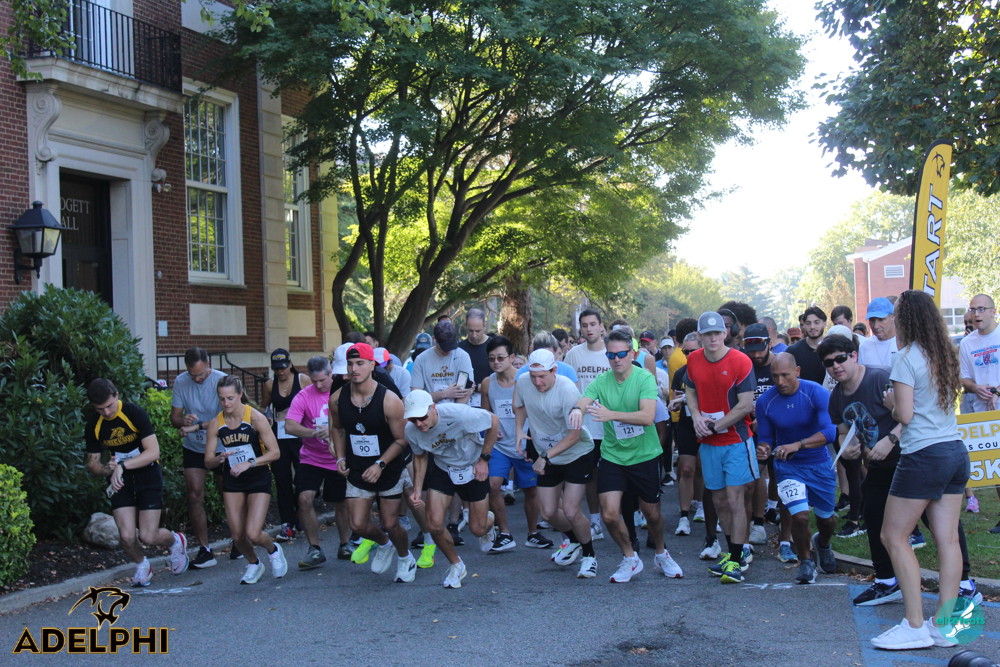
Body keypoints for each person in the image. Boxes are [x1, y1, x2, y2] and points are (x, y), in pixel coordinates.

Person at [870, 290, 970, 650]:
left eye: (896, 314)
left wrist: (890, 403)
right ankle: (944, 625)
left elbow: (906, 415)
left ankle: (914, 625)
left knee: (893, 536)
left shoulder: (906, 357)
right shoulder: (944, 353)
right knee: (948, 540)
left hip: (924, 455)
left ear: (905, 319)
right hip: (954, 450)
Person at [569, 330, 683, 583]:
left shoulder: (644, 378)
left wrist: (611, 415)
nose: (616, 359)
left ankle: (662, 553)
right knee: (609, 514)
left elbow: (647, 417)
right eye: (611, 355)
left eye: (621, 354)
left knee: (652, 513)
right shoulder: (602, 380)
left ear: (632, 354)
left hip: (644, 454)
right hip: (613, 455)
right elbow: (585, 399)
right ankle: (630, 557)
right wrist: (577, 409)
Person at [85, 379, 188, 587]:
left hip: (147, 475)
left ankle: (176, 541)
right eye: (100, 409)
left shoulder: (134, 413)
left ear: (116, 395)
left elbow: (153, 452)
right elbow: (93, 464)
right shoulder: (94, 424)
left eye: (109, 406)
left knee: (149, 536)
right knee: (126, 536)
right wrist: (108, 469)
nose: (106, 412)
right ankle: (142, 564)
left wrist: (123, 465)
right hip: (120, 480)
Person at [330, 344, 416, 582]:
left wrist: (380, 464)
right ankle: (384, 544)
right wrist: (340, 457)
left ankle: (405, 557)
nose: (354, 369)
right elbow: (337, 429)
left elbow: (402, 439)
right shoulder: (337, 399)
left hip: (388, 468)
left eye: (360, 363)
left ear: (372, 365)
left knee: (390, 522)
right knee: (357, 525)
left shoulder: (389, 400)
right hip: (357, 468)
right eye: (350, 364)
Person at [684, 312, 756, 584]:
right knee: (718, 500)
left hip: (736, 440)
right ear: (700, 336)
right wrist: (696, 416)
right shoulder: (694, 359)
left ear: (725, 333)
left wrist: (716, 425)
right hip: (708, 443)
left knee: (735, 498)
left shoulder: (741, 360)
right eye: (707, 334)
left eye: (717, 333)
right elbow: (690, 390)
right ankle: (731, 553)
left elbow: (745, 405)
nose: (713, 338)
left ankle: (737, 558)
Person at [754, 353, 838, 584]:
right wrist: (764, 449)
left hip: (818, 463)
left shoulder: (816, 393)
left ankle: (823, 544)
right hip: (788, 466)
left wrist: (798, 445)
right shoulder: (765, 401)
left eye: (785, 375)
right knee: (799, 517)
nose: (780, 381)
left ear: (797, 371)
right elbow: (766, 437)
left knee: (826, 519)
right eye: (775, 376)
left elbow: (830, 432)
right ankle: (806, 561)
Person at [514, 349, 598, 577]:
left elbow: (574, 435)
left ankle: (589, 555)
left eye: (542, 376)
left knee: (571, 510)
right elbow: (519, 406)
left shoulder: (567, 390)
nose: (537, 382)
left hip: (576, 453)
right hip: (547, 452)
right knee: (548, 512)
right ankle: (574, 541)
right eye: (534, 377)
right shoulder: (523, 381)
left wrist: (545, 457)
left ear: (554, 370)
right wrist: (519, 429)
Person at [404, 390, 499, 589]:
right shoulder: (411, 431)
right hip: (443, 469)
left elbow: (493, 421)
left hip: (472, 466)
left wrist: (484, 459)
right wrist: (417, 489)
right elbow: (419, 456)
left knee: (477, 529)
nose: (419, 424)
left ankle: (488, 521)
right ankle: (456, 565)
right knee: (434, 525)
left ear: (433, 408)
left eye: (422, 417)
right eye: (413, 419)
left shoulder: (459, 414)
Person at [202, 376, 287, 584]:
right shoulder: (216, 423)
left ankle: (273, 550)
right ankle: (254, 563)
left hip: (258, 477)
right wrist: (219, 458)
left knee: (254, 533)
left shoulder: (255, 418)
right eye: (222, 399)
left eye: (230, 398)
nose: (226, 403)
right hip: (233, 479)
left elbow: (275, 452)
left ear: (240, 394)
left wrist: (250, 463)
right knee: (237, 535)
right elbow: (208, 461)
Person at [482, 335, 552, 551]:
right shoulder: (487, 383)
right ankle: (504, 533)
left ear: (512, 357)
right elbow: (485, 413)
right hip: (500, 446)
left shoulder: (526, 380)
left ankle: (533, 533)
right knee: (492, 485)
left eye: (500, 358)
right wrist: (491, 428)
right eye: (491, 359)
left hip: (526, 443)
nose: (496, 363)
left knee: (531, 490)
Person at [285, 356, 352, 564]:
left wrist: (333, 431)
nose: (319, 385)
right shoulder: (304, 396)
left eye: (322, 380)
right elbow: (290, 426)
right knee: (304, 498)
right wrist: (313, 432)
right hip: (311, 458)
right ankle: (314, 548)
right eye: (314, 381)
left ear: (331, 373)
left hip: (337, 457)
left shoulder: (345, 393)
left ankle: (345, 544)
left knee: (342, 501)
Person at [169, 347, 226, 569]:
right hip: (194, 446)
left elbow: (228, 417)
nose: (197, 379)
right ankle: (205, 549)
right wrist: (183, 421)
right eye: (193, 375)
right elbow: (174, 418)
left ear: (208, 364)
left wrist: (198, 425)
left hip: (221, 445)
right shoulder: (181, 381)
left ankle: (239, 540)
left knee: (228, 493)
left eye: (201, 374)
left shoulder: (222, 381)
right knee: (194, 494)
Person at [563, 308, 611, 540]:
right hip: (584, 428)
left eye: (593, 324)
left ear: (601, 326)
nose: (589, 329)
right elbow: (567, 388)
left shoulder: (612, 353)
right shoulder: (573, 355)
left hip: (609, 425)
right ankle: (595, 521)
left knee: (612, 475)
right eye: (584, 325)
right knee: (590, 476)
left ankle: (623, 517)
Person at [261, 348, 312, 542]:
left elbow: (314, 402)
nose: (280, 371)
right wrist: (265, 416)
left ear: (290, 364)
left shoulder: (303, 380)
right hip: (279, 436)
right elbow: (264, 407)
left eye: (283, 367)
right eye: (276, 368)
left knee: (302, 477)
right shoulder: (269, 384)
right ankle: (287, 523)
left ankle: (301, 515)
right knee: (282, 480)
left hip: (300, 434)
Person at [742, 323, 775, 548]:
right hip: (750, 428)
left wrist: (766, 416)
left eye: (760, 350)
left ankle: (774, 510)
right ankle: (757, 522)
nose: (755, 356)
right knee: (756, 473)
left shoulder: (779, 364)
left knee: (778, 472)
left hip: (778, 426)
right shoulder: (744, 365)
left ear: (769, 344)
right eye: (751, 351)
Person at [411, 320, 474, 404]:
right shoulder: (421, 359)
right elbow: (416, 396)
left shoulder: (462, 356)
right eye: (445, 347)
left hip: (457, 408)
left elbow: (465, 391)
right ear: (434, 339)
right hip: (430, 408)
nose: (448, 350)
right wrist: (444, 394)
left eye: (451, 346)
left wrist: (455, 409)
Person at [458, 309, 491, 407]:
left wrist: (477, 387)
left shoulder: (494, 346)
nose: (474, 335)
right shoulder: (459, 349)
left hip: (490, 399)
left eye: (478, 331)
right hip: (465, 401)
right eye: (470, 331)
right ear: (465, 326)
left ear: (484, 326)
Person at [787, 307, 827, 383]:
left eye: (816, 322)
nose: (812, 327)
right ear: (804, 325)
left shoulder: (833, 349)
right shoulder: (793, 351)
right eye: (808, 323)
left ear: (824, 324)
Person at [858, 297, 898, 372]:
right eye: (872, 320)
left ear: (892, 317)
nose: (876, 326)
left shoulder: (904, 345)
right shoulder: (864, 346)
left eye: (881, 319)